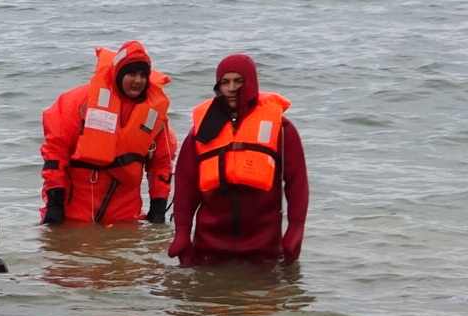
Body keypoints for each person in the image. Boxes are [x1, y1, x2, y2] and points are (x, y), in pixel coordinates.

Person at [168, 54, 307, 266]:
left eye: (238, 81)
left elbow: (297, 182)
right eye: (225, 82)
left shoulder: (282, 129)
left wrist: (296, 227)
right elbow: (185, 185)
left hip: (264, 249)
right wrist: (182, 233)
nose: (231, 88)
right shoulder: (201, 130)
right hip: (209, 247)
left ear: (251, 82)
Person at [39, 40, 173, 226]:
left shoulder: (154, 116)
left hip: (124, 216)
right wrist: (55, 202)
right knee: (64, 255)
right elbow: (55, 152)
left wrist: (158, 208)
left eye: (143, 75)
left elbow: (161, 165)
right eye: (131, 73)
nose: (138, 80)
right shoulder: (79, 102)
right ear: (119, 73)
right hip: (74, 213)